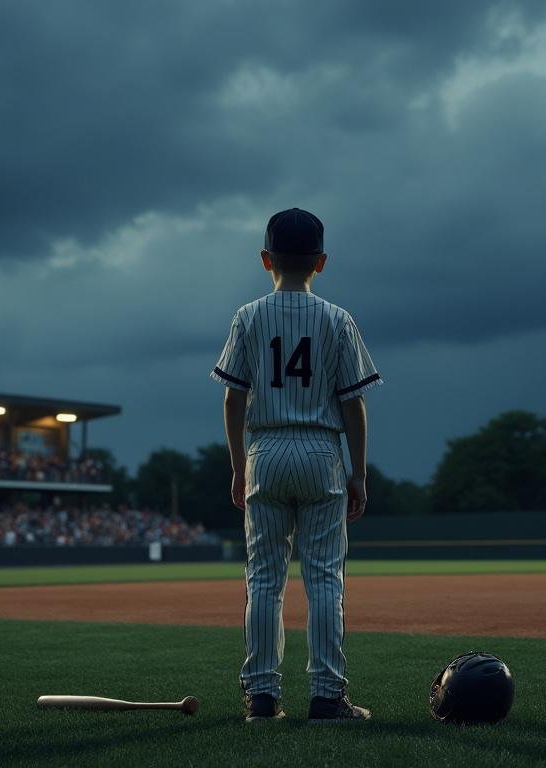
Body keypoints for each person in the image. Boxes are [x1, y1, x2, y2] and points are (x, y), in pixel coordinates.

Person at [211, 208, 383, 723]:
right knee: (325, 579)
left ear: (265, 259)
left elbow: (233, 400)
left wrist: (239, 468)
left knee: (263, 577)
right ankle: (327, 697)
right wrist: (359, 472)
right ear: (321, 263)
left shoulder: (248, 315)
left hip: (265, 449)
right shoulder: (337, 318)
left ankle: (262, 696)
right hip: (321, 451)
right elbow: (353, 402)